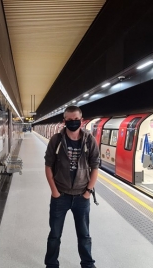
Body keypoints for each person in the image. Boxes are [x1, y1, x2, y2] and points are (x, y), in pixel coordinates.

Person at [44, 106, 100, 268]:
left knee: (84, 235)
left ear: (81, 120)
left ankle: (88, 264)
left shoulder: (90, 140)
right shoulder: (56, 140)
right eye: (69, 120)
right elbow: (48, 166)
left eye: (76, 119)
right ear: (64, 121)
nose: (73, 122)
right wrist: (54, 192)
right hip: (60, 196)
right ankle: (51, 264)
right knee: (54, 234)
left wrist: (88, 192)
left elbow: (95, 167)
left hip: (82, 196)